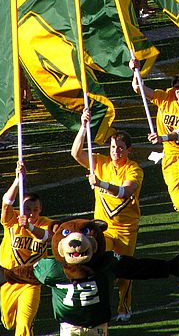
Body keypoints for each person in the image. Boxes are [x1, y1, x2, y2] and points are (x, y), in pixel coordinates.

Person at [70, 109, 144, 322]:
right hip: (102, 228)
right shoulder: (100, 162)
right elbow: (76, 153)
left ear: (128, 150)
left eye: (120, 148)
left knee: (123, 272)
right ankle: (95, 304)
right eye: (113, 147)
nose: (116, 152)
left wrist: (100, 184)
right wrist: (83, 127)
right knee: (97, 264)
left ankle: (124, 305)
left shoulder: (134, 170)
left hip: (126, 229)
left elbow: (125, 192)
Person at [133, 69, 179, 232]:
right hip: (172, 158)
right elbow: (138, 88)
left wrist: (163, 137)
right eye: (177, 87)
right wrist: (134, 70)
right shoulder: (166, 98)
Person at [0, 162, 53, 336]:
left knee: (24, 325)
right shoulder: (13, 219)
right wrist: (16, 181)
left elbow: (46, 237)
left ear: (40, 209)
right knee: (8, 322)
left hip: (32, 280)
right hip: (8, 277)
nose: (31, 213)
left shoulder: (46, 223)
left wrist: (30, 227)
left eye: (35, 210)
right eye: (28, 209)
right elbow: (6, 202)